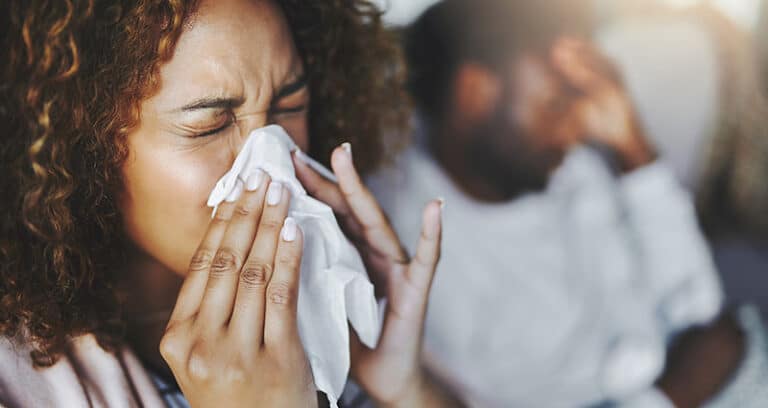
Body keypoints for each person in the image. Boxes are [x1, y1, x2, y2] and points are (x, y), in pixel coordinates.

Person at [0, 0, 462, 406]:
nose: (271, 166)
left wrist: (406, 388)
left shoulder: (337, 322)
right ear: (83, 149)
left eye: (290, 106)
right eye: (210, 126)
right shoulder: (18, 383)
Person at [368, 0, 757, 406]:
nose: (576, 129)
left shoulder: (562, 168)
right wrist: (675, 392)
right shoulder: (414, 253)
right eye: (555, 104)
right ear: (475, 93)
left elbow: (698, 307)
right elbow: (711, 343)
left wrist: (634, 150)